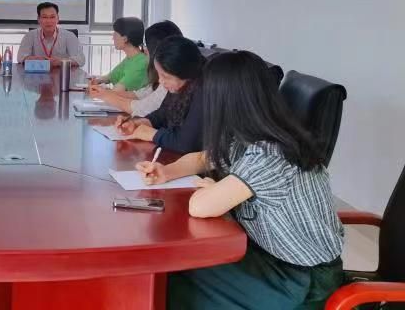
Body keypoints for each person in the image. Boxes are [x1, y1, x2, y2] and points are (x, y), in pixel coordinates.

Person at [138, 51, 344, 310]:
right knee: (174, 267)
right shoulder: (248, 138)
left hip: (302, 281)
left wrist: (215, 190)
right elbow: (202, 158)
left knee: (174, 279)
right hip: (271, 257)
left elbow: (200, 206)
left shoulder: (271, 154)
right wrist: (167, 172)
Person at [115, 36, 204, 154]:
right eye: (159, 75)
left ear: (186, 73)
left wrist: (152, 134)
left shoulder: (202, 92)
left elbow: (185, 144)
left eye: (166, 77)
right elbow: (162, 114)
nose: (161, 81)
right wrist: (137, 123)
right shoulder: (179, 87)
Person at [90, 20, 182, 116]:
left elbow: (141, 108)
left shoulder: (143, 63)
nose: (145, 50)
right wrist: (103, 92)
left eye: (146, 46)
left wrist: (105, 95)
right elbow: (139, 94)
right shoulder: (131, 59)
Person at [17, 2, 85, 67]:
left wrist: (60, 61)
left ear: (57, 19)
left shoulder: (69, 36)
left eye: (52, 17)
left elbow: (81, 59)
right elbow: (20, 57)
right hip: (37, 73)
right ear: (38, 19)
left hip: (62, 73)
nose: (48, 21)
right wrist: (35, 59)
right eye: (44, 17)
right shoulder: (30, 35)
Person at [90, 17, 148, 91]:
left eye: (115, 34)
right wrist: (97, 80)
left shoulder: (140, 63)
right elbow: (111, 77)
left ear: (125, 39)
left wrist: (97, 88)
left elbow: (117, 91)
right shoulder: (131, 58)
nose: (113, 38)